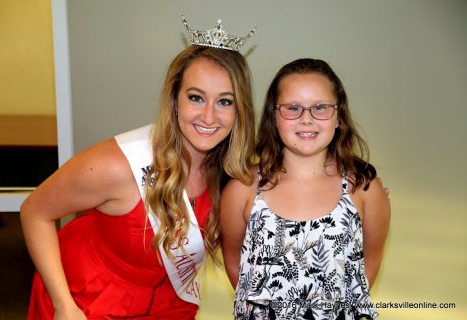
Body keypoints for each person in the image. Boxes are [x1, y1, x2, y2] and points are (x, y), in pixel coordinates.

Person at [20, 17, 256, 319]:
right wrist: (64, 305)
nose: (209, 116)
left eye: (225, 102)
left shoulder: (230, 175)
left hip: (170, 304)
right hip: (87, 296)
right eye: (196, 98)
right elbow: (34, 211)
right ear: (174, 100)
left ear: (240, 111)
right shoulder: (117, 165)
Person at [221, 58, 391, 320]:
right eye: (292, 108)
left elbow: (365, 269)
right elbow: (236, 266)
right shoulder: (242, 189)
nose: (307, 119)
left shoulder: (365, 190)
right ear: (274, 116)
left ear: (339, 117)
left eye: (320, 107)